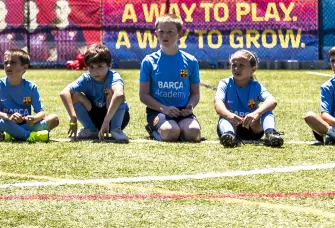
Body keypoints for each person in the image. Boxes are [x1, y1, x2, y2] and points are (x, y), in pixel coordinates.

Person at [139, 13, 201, 142]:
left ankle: (179, 129)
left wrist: (190, 107)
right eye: (161, 32)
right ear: (156, 34)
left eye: (170, 32)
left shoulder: (191, 61)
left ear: (180, 34)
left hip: (182, 111)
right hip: (158, 110)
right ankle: (154, 130)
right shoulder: (149, 61)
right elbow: (143, 95)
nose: (165, 36)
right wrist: (164, 108)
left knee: (193, 133)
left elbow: (195, 93)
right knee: (170, 132)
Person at [59, 43, 129, 143]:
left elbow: (119, 95)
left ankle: (116, 130)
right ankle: (90, 130)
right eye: (91, 67)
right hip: (95, 119)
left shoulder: (113, 76)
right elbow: (64, 93)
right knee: (75, 95)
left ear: (109, 65)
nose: (95, 71)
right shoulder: (86, 79)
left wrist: (106, 121)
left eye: (100, 66)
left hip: (115, 118)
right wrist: (73, 118)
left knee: (117, 94)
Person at [213, 49, 283, 148]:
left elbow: (272, 101)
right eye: (234, 65)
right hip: (232, 125)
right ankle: (229, 135)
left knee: (266, 112)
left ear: (253, 69)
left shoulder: (256, 86)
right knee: (224, 117)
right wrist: (229, 115)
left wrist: (256, 113)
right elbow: (218, 104)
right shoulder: (224, 83)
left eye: (241, 65)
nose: (236, 68)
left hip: (253, 128)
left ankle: (271, 134)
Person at [0, 48, 54, 142]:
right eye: (6, 63)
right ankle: (28, 136)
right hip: (5, 122)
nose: (8, 66)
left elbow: (41, 113)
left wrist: (34, 119)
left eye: (13, 62)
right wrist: (9, 117)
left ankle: (12, 135)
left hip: (25, 124)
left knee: (54, 119)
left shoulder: (31, 87)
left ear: (25, 68)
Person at [46, 0, 87, 64]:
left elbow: (83, 51)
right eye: (58, 8)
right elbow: (52, 54)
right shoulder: (48, 29)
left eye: (64, 8)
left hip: (73, 64)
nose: (62, 11)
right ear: (54, 10)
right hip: (55, 65)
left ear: (69, 10)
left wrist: (78, 63)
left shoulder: (76, 28)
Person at [21, 0, 47, 65]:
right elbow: (20, 54)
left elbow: (53, 52)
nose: (29, 11)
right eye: (26, 8)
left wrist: (46, 64)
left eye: (32, 8)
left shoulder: (45, 31)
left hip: (44, 66)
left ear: (37, 10)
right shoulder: (18, 31)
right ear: (22, 11)